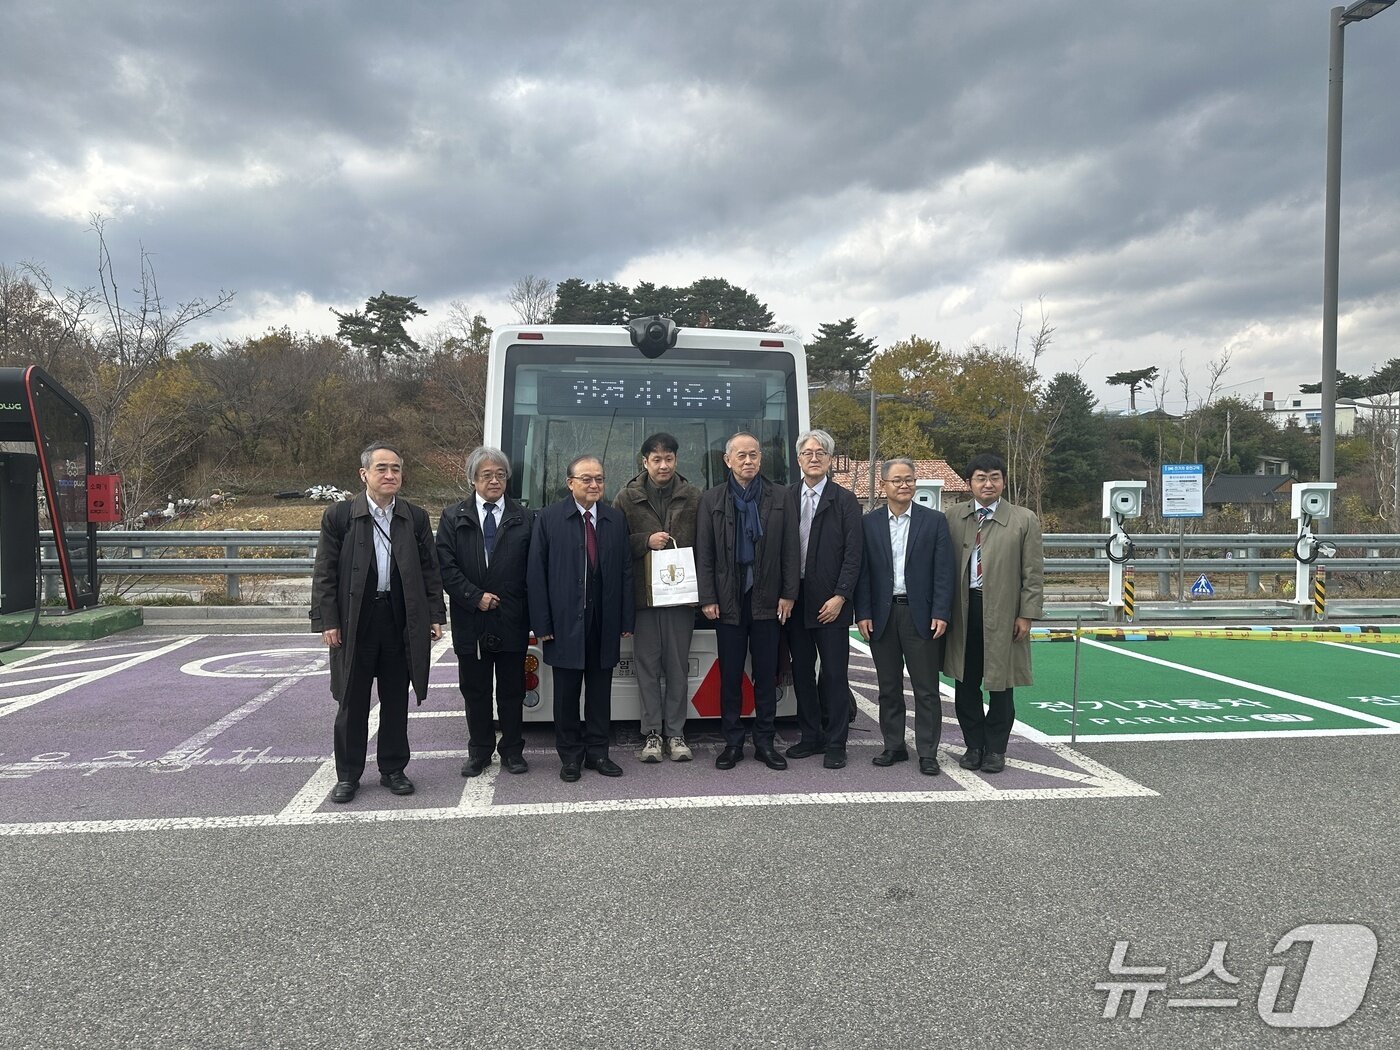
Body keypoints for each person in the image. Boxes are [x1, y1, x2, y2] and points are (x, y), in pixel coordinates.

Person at [311, 442, 445, 804]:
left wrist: (435, 614)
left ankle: (393, 769)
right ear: (364, 474)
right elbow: (324, 573)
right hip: (357, 620)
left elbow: (431, 570)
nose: (390, 475)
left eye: (396, 468)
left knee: (395, 700)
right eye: (382, 468)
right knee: (352, 701)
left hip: (399, 620)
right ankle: (348, 775)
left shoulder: (414, 517)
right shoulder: (339, 516)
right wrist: (328, 621)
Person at [528, 455, 634, 782]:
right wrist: (542, 623)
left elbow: (627, 573)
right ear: (570, 482)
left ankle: (599, 753)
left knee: (600, 694)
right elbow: (536, 574)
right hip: (563, 625)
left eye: (599, 479)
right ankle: (570, 756)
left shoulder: (616, 520)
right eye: (586, 479)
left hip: (603, 623)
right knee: (566, 695)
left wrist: (626, 619)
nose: (594, 485)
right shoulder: (549, 519)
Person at [695, 432, 798, 771]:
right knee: (731, 675)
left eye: (753, 454)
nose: (748, 461)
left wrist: (788, 593)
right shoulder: (711, 500)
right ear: (727, 460)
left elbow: (790, 550)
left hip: (769, 600)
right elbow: (705, 553)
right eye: (741, 455)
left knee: (766, 675)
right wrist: (707, 596)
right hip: (728, 602)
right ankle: (733, 743)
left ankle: (765, 742)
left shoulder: (780, 496)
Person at [854, 458, 956, 775]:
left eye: (909, 479)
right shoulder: (868, 523)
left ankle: (927, 751)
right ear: (883, 485)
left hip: (920, 614)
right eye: (897, 480)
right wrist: (863, 613)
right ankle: (894, 746)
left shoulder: (934, 521)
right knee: (888, 687)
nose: (904, 485)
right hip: (882, 615)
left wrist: (941, 612)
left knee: (926, 688)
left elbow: (944, 571)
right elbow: (864, 573)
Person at [943, 453, 1044, 774]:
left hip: (1003, 611)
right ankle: (974, 746)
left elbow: (1034, 572)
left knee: (1001, 683)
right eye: (981, 478)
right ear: (969, 483)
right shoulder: (953, 516)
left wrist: (1026, 614)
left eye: (995, 477)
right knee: (965, 680)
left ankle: (996, 750)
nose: (988, 484)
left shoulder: (1023, 519)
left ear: (1003, 480)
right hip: (963, 609)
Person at [437, 447, 533, 777]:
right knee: (476, 690)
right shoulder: (454, 517)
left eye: (500, 475)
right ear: (472, 479)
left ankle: (512, 750)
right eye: (486, 475)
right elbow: (445, 567)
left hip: (511, 618)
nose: (494, 481)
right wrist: (474, 596)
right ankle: (479, 750)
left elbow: (532, 570)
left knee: (512, 690)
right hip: (472, 619)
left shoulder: (524, 518)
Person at [614, 433, 702, 763]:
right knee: (647, 668)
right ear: (645, 462)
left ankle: (676, 734)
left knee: (677, 667)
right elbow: (615, 542)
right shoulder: (627, 497)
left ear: (676, 460)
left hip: (681, 598)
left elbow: (706, 544)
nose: (663, 465)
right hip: (644, 598)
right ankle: (652, 733)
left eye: (669, 459)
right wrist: (644, 541)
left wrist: (701, 593)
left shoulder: (693, 496)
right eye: (656, 459)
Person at [783, 429, 863, 769]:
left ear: (830, 460)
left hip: (831, 604)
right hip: (795, 600)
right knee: (801, 671)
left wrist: (841, 596)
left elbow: (853, 555)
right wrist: (784, 594)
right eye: (808, 452)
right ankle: (810, 736)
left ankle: (836, 742)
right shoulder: (785, 498)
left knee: (834, 674)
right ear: (799, 459)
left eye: (821, 453)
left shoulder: (845, 501)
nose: (813, 458)